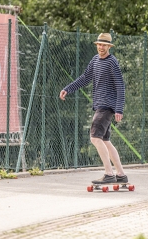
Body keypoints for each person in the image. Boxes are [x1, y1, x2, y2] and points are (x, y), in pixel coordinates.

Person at [59, 33, 128, 184]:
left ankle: (109, 174)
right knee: (105, 140)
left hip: (106, 106)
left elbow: (120, 86)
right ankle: (121, 174)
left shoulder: (112, 62)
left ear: (109, 46)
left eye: (104, 45)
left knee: (95, 138)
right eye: (99, 44)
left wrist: (119, 108)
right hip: (100, 105)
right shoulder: (95, 60)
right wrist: (68, 89)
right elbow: (85, 78)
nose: (101, 47)